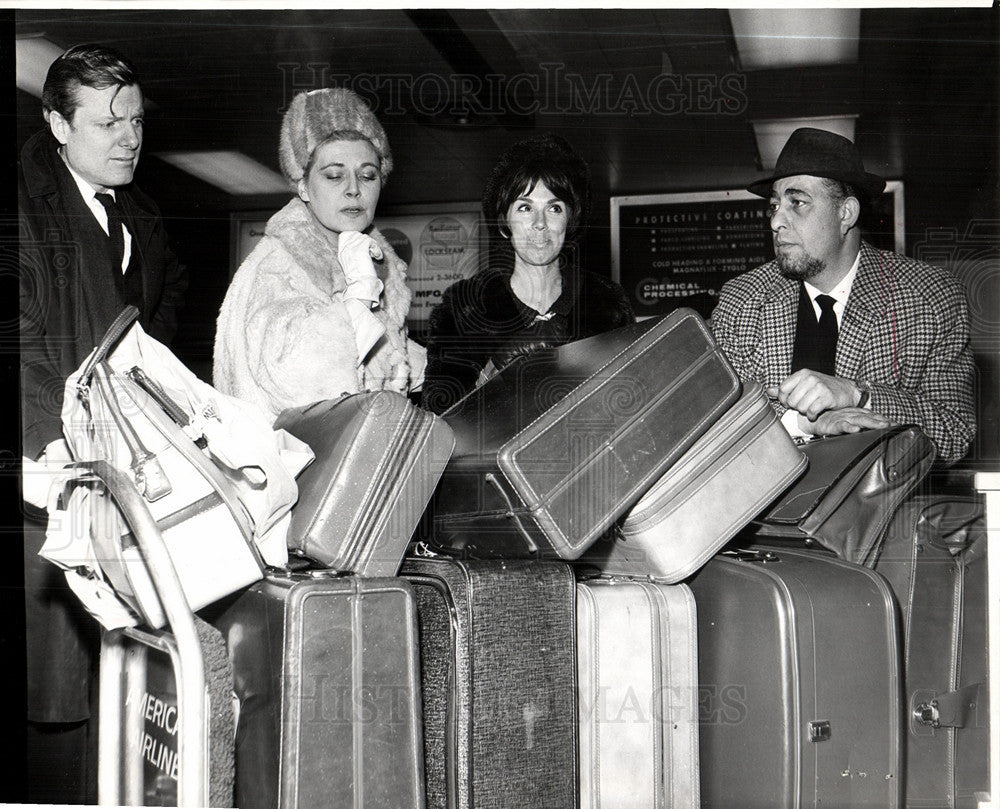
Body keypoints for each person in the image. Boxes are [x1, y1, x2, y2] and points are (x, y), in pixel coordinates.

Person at [18, 44, 186, 803]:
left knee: (127, 682)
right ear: (57, 124)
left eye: (137, 120)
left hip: (128, 488)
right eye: (107, 122)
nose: (128, 137)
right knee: (57, 699)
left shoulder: (144, 217)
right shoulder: (23, 209)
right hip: (47, 484)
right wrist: (54, 452)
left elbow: (165, 324)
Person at [710, 127, 976, 464]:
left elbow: (953, 434)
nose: (776, 220)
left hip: (880, 511)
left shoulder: (929, 297)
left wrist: (857, 395)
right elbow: (715, 427)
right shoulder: (742, 300)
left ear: (845, 213)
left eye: (798, 203)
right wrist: (805, 422)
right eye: (775, 205)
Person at [214, 88, 425, 420]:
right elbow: (304, 384)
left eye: (368, 175)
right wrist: (360, 292)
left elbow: (382, 358)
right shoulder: (278, 267)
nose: (354, 188)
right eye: (334, 175)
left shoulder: (364, 258)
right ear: (302, 185)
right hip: (295, 466)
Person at [421, 134, 635, 414]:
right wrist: (493, 374)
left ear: (570, 220)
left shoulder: (606, 303)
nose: (539, 224)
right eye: (525, 208)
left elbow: (634, 397)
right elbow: (438, 420)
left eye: (554, 208)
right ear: (504, 220)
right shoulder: (463, 308)